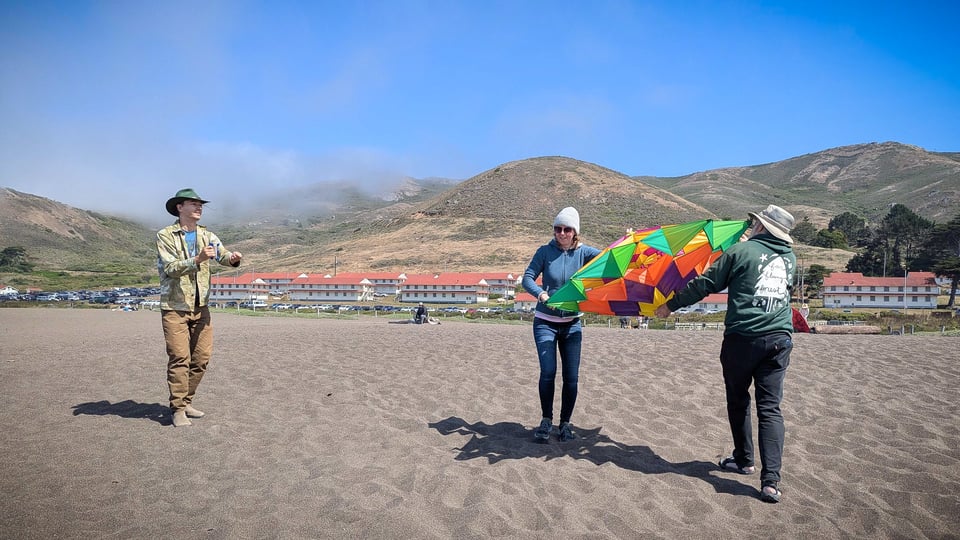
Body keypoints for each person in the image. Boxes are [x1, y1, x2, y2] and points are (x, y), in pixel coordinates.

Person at [654, 205, 797, 503]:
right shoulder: (789, 258)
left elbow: (706, 284)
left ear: (761, 226)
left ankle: (744, 460)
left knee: (738, 398)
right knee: (770, 408)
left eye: (754, 222)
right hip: (780, 339)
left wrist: (670, 305)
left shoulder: (738, 252)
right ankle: (770, 482)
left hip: (743, 338)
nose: (751, 225)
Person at [157, 188, 243, 427]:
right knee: (179, 358)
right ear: (179, 208)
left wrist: (233, 258)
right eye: (192, 204)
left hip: (201, 306)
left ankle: (186, 402)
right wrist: (197, 260)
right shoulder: (165, 235)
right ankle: (177, 409)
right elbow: (171, 268)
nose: (198, 208)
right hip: (175, 306)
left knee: (201, 358)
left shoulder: (208, 235)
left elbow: (223, 256)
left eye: (200, 204)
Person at [521, 207, 602, 442]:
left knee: (571, 377)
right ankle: (546, 420)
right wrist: (540, 294)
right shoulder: (544, 252)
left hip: (572, 324)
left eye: (567, 229)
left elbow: (612, 258)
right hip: (545, 322)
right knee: (548, 372)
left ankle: (565, 423)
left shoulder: (584, 253)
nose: (562, 233)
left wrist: (627, 242)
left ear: (575, 231)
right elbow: (527, 278)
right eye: (558, 228)